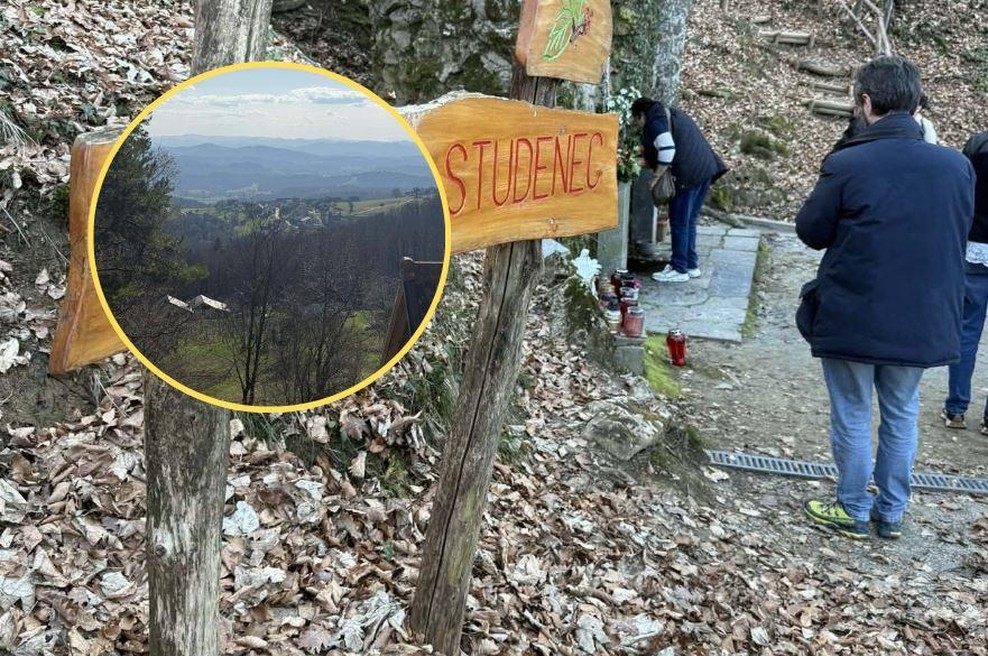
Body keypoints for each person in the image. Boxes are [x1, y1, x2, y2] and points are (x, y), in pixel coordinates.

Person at [795, 55, 975, 540]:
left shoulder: (848, 162)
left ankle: (852, 508)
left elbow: (810, 231)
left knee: (853, 409)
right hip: (923, 315)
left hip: (854, 311)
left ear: (866, 103)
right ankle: (892, 512)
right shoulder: (957, 167)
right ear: (917, 105)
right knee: (903, 410)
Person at [630, 98, 727, 283]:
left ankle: (679, 268)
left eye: (636, 121)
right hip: (705, 169)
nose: (637, 125)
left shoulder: (655, 121)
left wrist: (657, 176)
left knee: (679, 222)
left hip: (688, 174)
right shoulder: (670, 114)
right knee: (689, 221)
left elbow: (667, 149)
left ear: (641, 114)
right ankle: (691, 265)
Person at [942, 130, 988, 431]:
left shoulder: (978, 145)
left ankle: (957, 409)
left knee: (967, 330)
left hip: (975, 245)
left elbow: (960, 190)